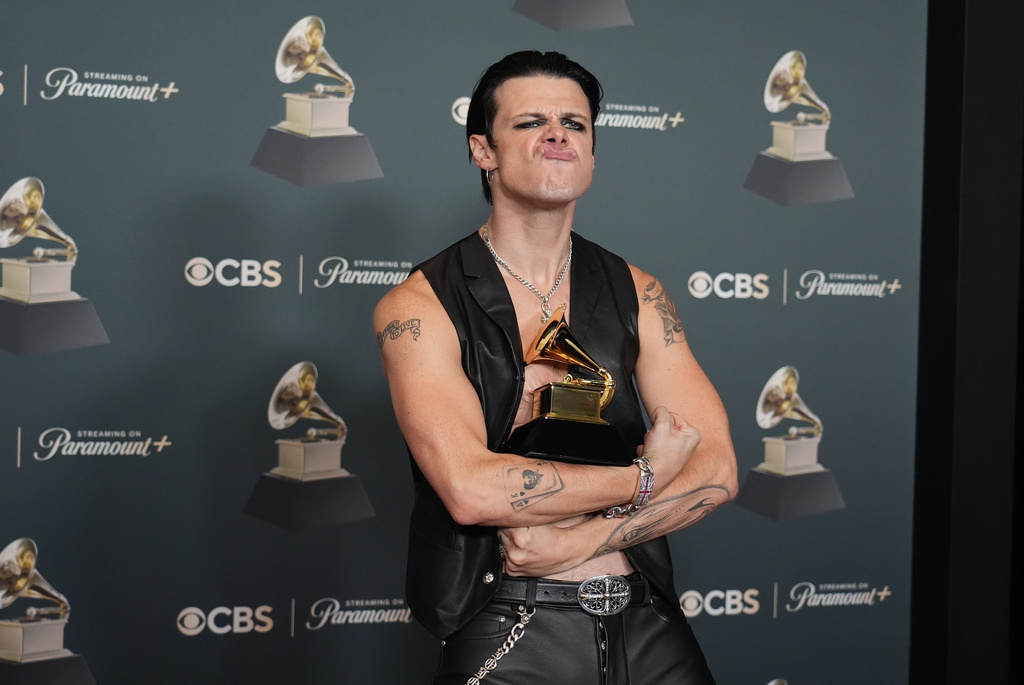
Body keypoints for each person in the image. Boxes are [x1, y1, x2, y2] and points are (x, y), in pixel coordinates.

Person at [374, 50, 737, 685]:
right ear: (483, 151)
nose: (558, 134)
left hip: (646, 618)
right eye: (530, 122)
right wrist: (645, 477)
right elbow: (471, 490)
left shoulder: (639, 293)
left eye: (575, 123)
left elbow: (717, 469)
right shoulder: (419, 305)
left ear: (592, 152)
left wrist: (578, 541)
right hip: (510, 622)